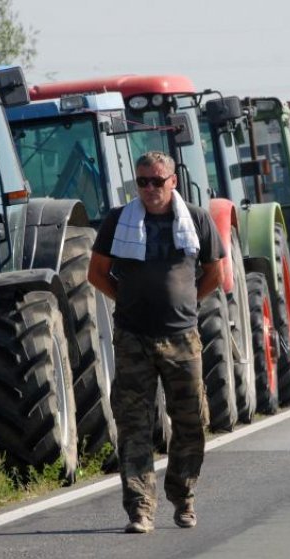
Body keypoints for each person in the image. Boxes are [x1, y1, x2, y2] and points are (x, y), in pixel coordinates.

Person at [88, 150, 225, 534]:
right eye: (143, 181)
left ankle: (183, 497)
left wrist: (186, 302)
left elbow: (215, 272)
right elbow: (96, 273)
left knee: (191, 421)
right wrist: (128, 301)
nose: (150, 189)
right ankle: (140, 509)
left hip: (182, 336)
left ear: (173, 181)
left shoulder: (196, 219)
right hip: (133, 337)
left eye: (157, 181)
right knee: (133, 424)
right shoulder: (119, 220)